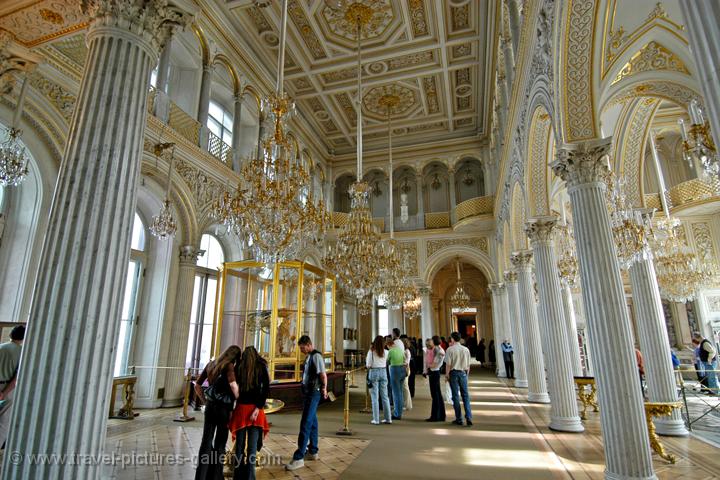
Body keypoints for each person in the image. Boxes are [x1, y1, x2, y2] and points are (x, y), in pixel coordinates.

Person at [195, 345, 241, 480]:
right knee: (220, 442)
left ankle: (201, 476)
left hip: (210, 407)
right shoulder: (229, 365)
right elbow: (233, 385)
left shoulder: (211, 364)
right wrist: (239, 399)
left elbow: (197, 386)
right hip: (223, 409)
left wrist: (204, 401)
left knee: (206, 441)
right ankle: (215, 476)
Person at [286, 336, 328, 471]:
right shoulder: (309, 356)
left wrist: (324, 388)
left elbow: (323, 374)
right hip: (308, 392)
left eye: (303, 348)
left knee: (305, 423)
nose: (302, 350)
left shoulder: (316, 356)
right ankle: (313, 451)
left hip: (313, 393)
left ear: (309, 344)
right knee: (312, 422)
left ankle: (298, 458)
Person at [229, 346, 270, 480]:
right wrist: (258, 408)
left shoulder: (239, 366)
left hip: (241, 408)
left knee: (239, 446)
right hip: (255, 411)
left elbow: (233, 386)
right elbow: (265, 390)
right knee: (252, 447)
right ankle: (250, 476)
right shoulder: (261, 367)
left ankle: (238, 476)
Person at [0, 325, 25, 449]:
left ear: (10, 335)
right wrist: (4, 393)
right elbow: (17, 378)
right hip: (9, 390)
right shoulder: (23, 353)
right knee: (3, 424)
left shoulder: (1, 347)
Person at [445, 332, 473, 426]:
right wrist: (466, 375)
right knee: (465, 396)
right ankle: (469, 417)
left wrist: (447, 375)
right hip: (463, 373)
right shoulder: (466, 349)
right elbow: (468, 365)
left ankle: (459, 418)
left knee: (455, 396)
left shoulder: (450, 349)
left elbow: (448, 364)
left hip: (453, 373)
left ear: (452, 339)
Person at [366, 336, 392, 425]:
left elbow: (368, 364)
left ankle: (376, 419)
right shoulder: (386, 352)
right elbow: (388, 361)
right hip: (383, 372)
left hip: (374, 372)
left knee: (375, 397)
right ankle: (388, 418)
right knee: (385, 397)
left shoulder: (371, 352)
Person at [425, 336, 446, 422]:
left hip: (434, 373)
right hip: (434, 373)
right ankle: (440, 415)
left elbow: (434, 364)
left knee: (435, 395)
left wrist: (428, 365)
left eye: (432, 341)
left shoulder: (439, 351)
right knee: (437, 395)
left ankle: (435, 416)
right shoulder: (437, 350)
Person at [387, 335, 406, 420]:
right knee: (400, 392)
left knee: (395, 393)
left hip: (395, 370)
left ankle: (397, 414)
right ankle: (399, 411)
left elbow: (387, 362)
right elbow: (404, 359)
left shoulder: (391, 351)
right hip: (402, 370)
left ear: (389, 345)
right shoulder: (400, 350)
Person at [401, 337, 413, 411]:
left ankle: (408, 405)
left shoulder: (407, 351)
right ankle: (405, 403)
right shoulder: (403, 351)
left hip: (405, 369)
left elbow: (406, 362)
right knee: (403, 388)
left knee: (405, 387)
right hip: (403, 369)